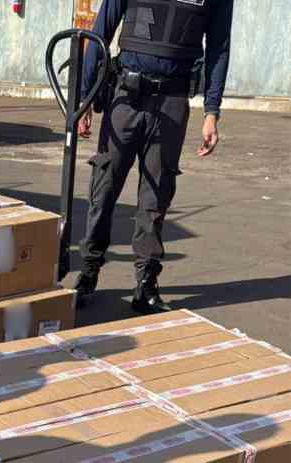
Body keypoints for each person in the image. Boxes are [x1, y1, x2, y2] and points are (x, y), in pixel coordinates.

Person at [74, 0, 233, 313]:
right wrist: (85, 96)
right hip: (125, 96)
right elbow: (100, 31)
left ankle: (146, 284)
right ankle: (88, 272)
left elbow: (219, 47)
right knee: (104, 188)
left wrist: (212, 111)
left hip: (171, 101)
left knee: (156, 196)